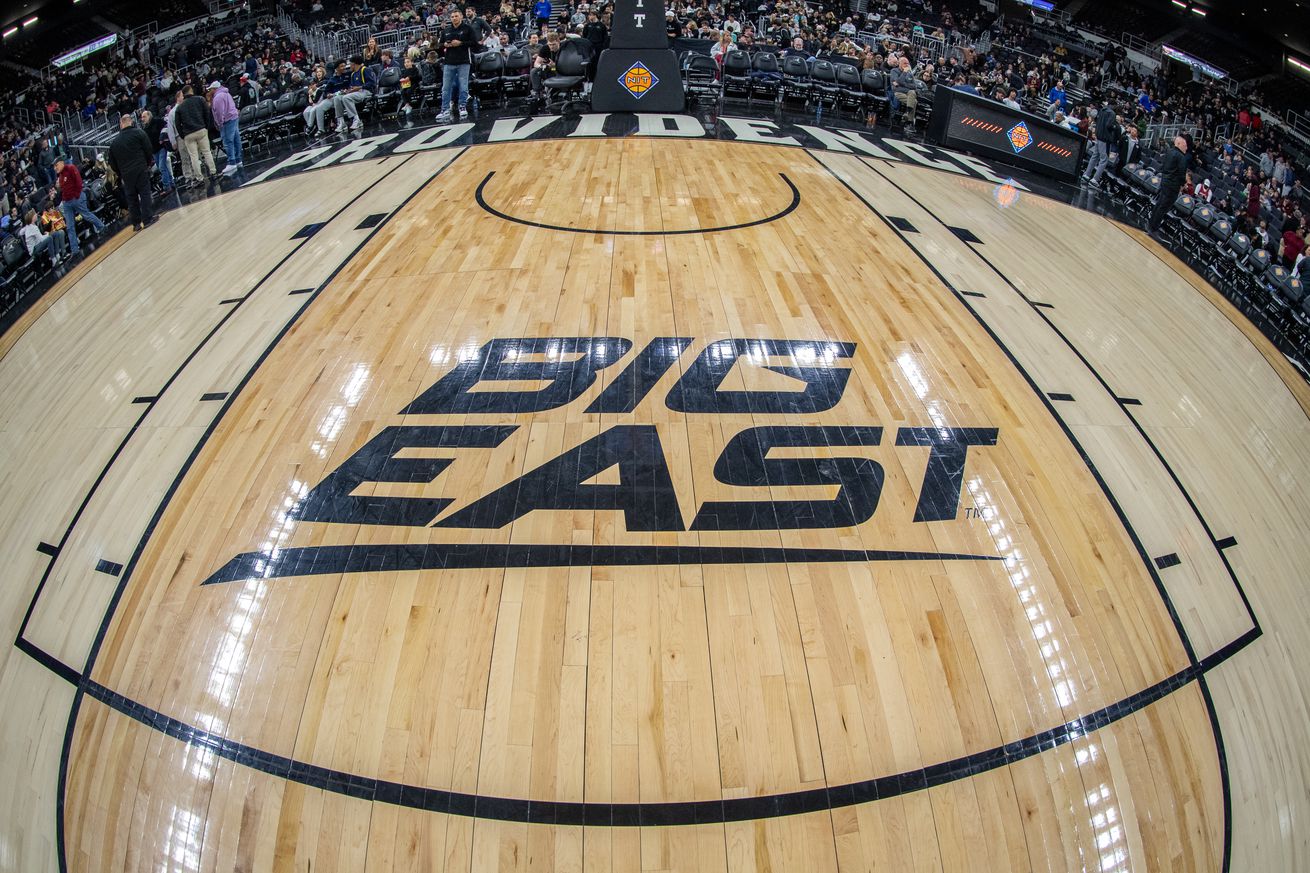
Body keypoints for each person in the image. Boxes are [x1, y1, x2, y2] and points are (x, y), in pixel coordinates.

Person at [107, 113, 156, 231]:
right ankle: (147, 219)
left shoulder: (114, 143)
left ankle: (136, 224)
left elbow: (112, 164)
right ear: (131, 121)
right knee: (144, 194)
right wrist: (147, 163)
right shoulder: (139, 133)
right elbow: (148, 150)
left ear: (121, 124)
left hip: (126, 174)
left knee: (131, 198)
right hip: (140, 168)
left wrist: (120, 173)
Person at [54, 157, 105, 257]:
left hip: (76, 198)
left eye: (56, 166)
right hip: (67, 202)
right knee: (70, 226)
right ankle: (75, 250)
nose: (55, 168)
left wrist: (77, 196)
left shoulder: (71, 168)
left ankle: (102, 227)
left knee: (86, 215)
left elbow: (79, 182)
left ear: (61, 163)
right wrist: (58, 188)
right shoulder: (60, 176)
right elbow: (62, 189)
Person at [436, 8, 477, 124]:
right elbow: (440, 45)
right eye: (452, 16)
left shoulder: (468, 28)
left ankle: (462, 107)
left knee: (463, 86)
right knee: (445, 88)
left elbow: (474, 43)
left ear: (461, 17)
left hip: (464, 61)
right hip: (449, 62)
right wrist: (444, 44)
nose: (454, 18)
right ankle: (445, 109)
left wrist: (461, 43)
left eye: (456, 16)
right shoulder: (446, 30)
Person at [174, 84, 218, 187]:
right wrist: (205, 127)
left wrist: (183, 135)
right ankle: (213, 173)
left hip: (188, 134)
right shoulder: (200, 99)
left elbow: (177, 124)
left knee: (194, 157)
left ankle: (199, 178)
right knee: (207, 152)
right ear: (191, 91)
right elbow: (207, 113)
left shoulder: (180, 107)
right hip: (201, 129)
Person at [1147, 134, 1189, 237]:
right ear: (1179, 144)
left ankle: (1150, 224)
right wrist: (1183, 184)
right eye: (1185, 145)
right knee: (1163, 207)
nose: (1186, 148)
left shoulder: (1169, 151)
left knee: (1159, 204)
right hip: (1172, 186)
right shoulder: (1181, 157)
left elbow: (1164, 166)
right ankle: (1153, 228)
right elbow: (1181, 173)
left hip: (1164, 181)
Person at [332, 56, 377, 134]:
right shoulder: (353, 74)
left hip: (366, 91)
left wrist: (359, 87)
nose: (349, 66)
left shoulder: (365, 70)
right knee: (337, 98)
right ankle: (341, 122)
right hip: (356, 93)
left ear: (354, 64)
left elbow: (372, 83)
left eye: (350, 64)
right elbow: (353, 87)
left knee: (346, 98)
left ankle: (356, 120)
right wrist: (348, 90)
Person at [207, 81, 243, 175]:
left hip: (227, 121)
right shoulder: (226, 93)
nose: (209, 91)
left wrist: (220, 124)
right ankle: (238, 160)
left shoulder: (218, 97)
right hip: (233, 118)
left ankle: (232, 162)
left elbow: (219, 113)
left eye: (210, 89)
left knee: (227, 141)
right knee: (236, 139)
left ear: (214, 89)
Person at [1082, 100, 1118, 189]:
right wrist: (1115, 127)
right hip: (1105, 139)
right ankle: (1095, 180)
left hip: (1098, 136)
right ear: (1113, 106)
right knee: (1104, 160)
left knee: (1095, 156)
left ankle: (1087, 174)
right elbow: (1109, 125)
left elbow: (1097, 120)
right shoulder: (1112, 113)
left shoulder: (1102, 110)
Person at [141, 109, 174, 192]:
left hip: (162, 147)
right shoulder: (145, 129)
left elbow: (166, 126)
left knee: (162, 167)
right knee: (162, 167)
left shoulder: (158, 121)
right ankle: (172, 183)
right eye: (141, 117)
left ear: (149, 116)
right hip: (154, 151)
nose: (142, 119)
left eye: (144, 117)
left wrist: (163, 137)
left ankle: (167, 187)